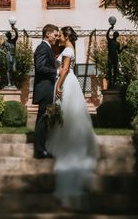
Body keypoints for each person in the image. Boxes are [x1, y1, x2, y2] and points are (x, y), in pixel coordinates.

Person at [47, 26, 99, 210]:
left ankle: (67, 141)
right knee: (67, 112)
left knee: (66, 111)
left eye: (60, 34)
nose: (58, 37)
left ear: (67, 36)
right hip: (69, 82)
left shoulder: (68, 50)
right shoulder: (68, 49)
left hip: (66, 82)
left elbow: (65, 70)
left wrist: (59, 86)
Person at [32, 23, 59, 159]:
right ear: (47, 34)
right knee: (42, 120)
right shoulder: (42, 48)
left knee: (42, 119)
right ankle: (40, 150)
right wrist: (56, 71)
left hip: (47, 87)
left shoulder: (46, 47)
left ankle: (41, 148)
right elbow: (40, 67)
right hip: (44, 88)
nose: (56, 38)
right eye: (55, 35)